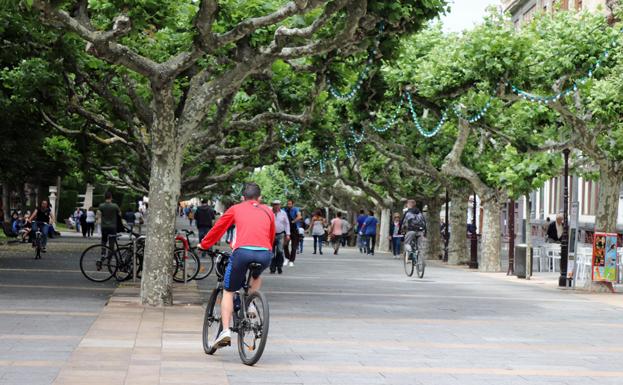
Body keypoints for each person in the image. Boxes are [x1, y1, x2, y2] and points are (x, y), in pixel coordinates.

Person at [198, 182, 274, 349]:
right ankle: (252, 303)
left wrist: (204, 245)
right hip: (265, 253)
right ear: (259, 198)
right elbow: (271, 235)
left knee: (228, 290)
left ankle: (225, 331)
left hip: (242, 253)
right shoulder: (268, 211)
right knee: (256, 274)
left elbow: (219, 228)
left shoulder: (236, 208)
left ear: (242, 197)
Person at [270, 200, 290, 274]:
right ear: (272, 205)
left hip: (280, 234)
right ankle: (272, 267)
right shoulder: (269, 212)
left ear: (280, 205)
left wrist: (288, 234)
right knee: (271, 252)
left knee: (280, 251)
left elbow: (287, 224)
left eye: (278, 205)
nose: (276, 206)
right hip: (271, 235)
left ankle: (279, 267)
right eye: (275, 204)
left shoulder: (283, 213)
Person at [283, 199, 302, 267]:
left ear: (293, 204)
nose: (289, 205)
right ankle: (287, 258)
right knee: (285, 245)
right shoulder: (284, 210)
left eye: (290, 204)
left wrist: (293, 221)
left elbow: (299, 216)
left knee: (294, 246)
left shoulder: (296, 209)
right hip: (286, 229)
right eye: (288, 204)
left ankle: (291, 260)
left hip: (294, 229)